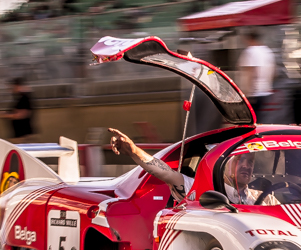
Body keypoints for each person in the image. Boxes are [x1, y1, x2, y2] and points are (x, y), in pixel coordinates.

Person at [108, 128, 278, 205]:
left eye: (250, 161)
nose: (246, 166)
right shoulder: (197, 188)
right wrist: (133, 151)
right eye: (240, 159)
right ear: (223, 162)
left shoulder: (263, 198)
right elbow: (163, 172)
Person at [237, 29, 276, 123]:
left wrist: (248, 93)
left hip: (253, 93)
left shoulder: (250, 51)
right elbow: (274, 72)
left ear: (248, 38)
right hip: (266, 92)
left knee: (250, 122)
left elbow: (251, 71)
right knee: (263, 121)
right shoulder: (267, 51)